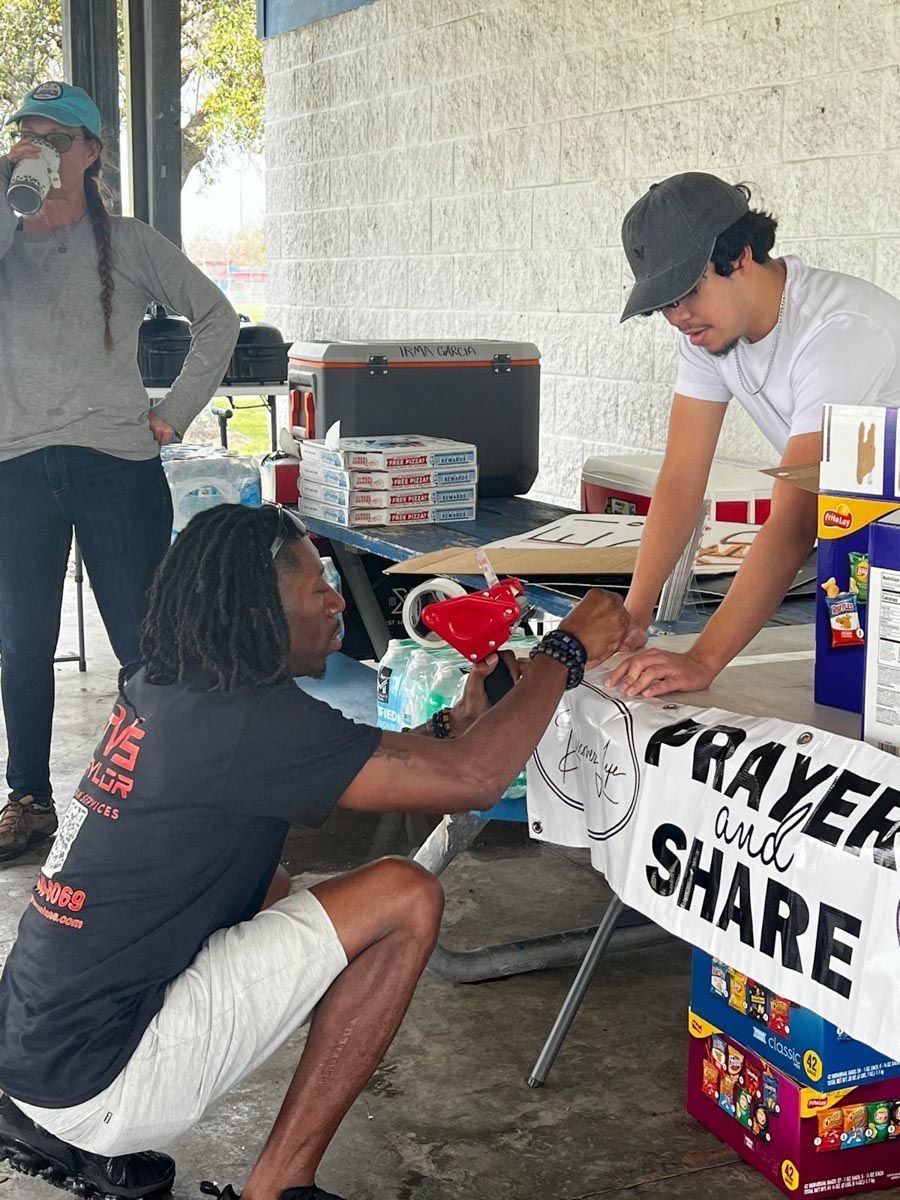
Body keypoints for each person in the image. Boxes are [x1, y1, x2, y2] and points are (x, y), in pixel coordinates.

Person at [0, 502, 627, 1200]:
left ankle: (64, 1128)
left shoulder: (174, 684)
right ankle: (280, 1186)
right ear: (257, 613)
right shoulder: (248, 723)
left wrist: (452, 725)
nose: (336, 600)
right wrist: (562, 654)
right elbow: (477, 781)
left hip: (39, 1049)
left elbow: (352, 763)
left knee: (268, 885)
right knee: (403, 896)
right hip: (102, 1080)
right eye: (316, 587)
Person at [0, 81, 239, 861]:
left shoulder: (129, 243)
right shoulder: (6, 235)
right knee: (21, 643)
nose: (40, 152)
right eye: (26, 137)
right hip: (17, 467)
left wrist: (176, 410)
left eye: (55, 140)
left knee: (144, 638)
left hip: (117, 464)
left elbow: (217, 317)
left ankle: (155, 788)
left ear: (92, 153)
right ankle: (28, 800)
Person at [607, 171, 900, 699]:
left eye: (687, 292)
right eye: (664, 304)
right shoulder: (706, 335)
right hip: (868, 538)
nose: (678, 317)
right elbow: (680, 476)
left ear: (740, 256)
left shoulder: (840, 331)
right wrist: (634, 613)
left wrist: (702, 659)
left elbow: (794, 520)